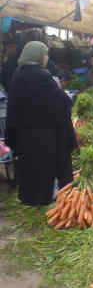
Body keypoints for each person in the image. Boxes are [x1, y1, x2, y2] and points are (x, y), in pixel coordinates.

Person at [5, 41, 78, 206]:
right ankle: (46, 197)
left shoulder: (19, 73)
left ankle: (30, 197)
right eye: (45, 54)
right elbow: (60, 102)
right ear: (38, 56)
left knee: (31, 165)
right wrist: (67, 98)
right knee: (45, 165)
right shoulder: (39, 75)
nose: (46, 58)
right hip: (43, 132)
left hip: (26, 132)